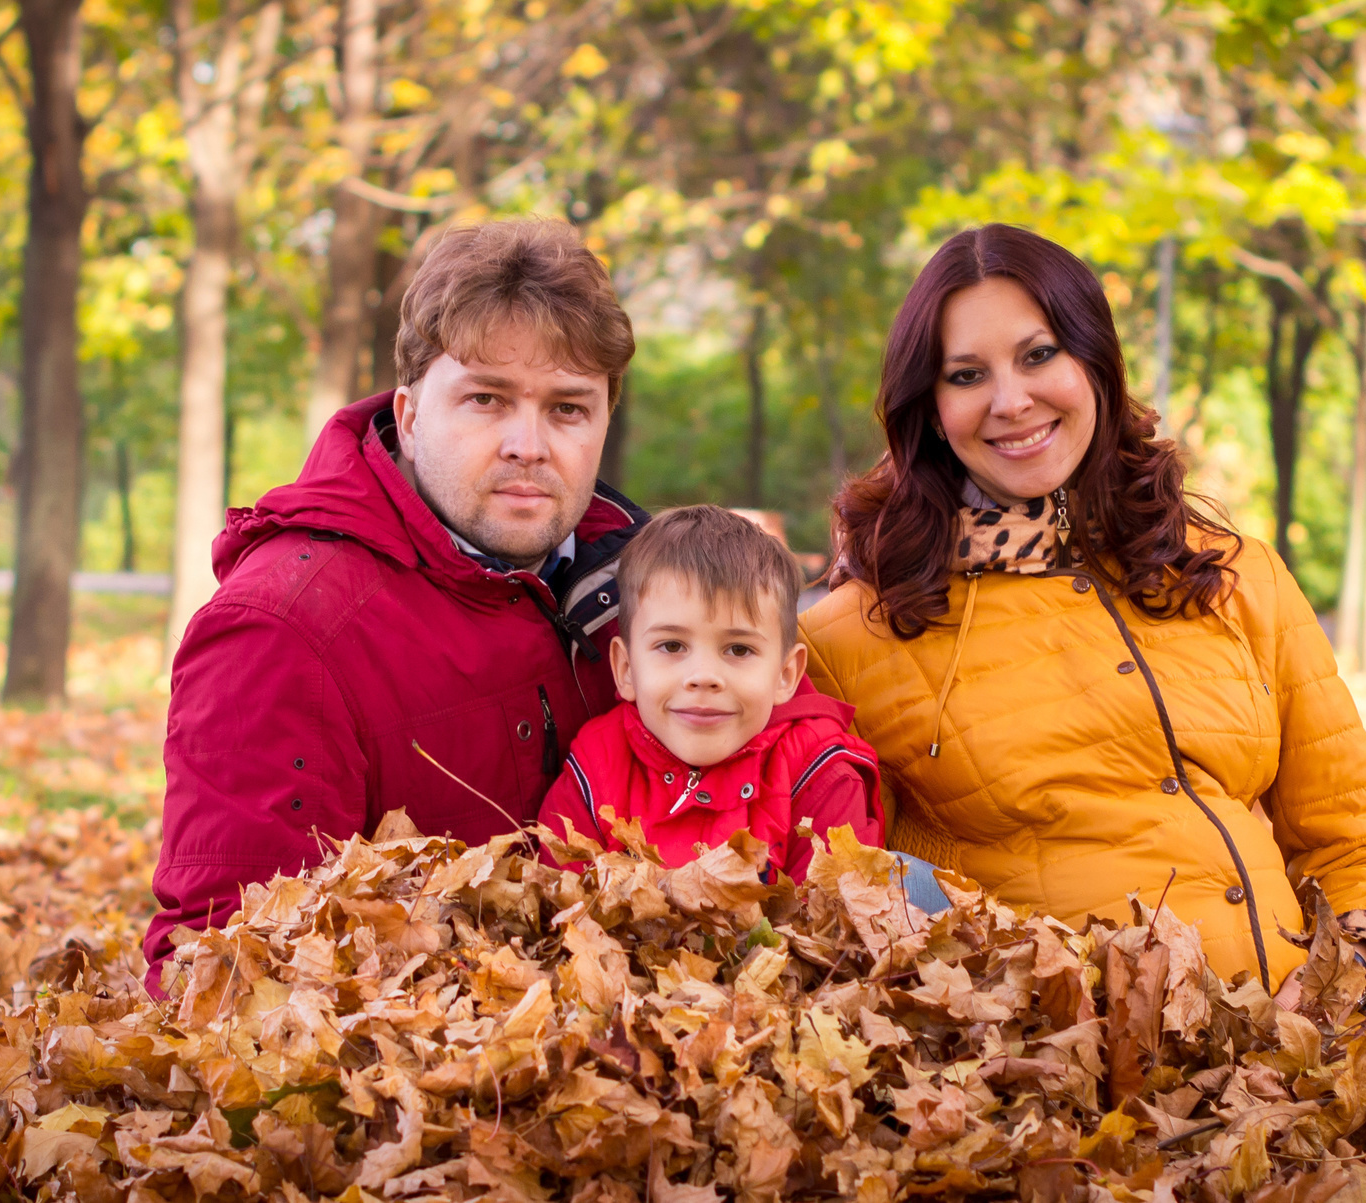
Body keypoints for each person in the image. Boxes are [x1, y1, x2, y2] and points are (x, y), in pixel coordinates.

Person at [801, 225, 1366, 1005]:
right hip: (1076, 1083)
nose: (1011, 401)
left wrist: (1353, 980)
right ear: (933, 411)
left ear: (1094, 362)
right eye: (967, 374)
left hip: (1320, 1043)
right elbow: (851, 904)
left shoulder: (1235, 577)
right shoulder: (850, 637)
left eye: (1039, 355)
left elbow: (1362, 838)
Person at [145, 219, 646, 991]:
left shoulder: (648, 584)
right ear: (409, 417)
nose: (528, 443)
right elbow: (221, 975)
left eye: (567, 409)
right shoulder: (282, 628)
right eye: (486, 398)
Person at [536, 505, 881, 878]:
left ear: (785, 675)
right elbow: (561, 908)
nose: (703, 677)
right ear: (625, 669)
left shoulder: (819, 777)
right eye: (671, 646)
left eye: (738, 649)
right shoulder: (595, 767)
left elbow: (834, 925)